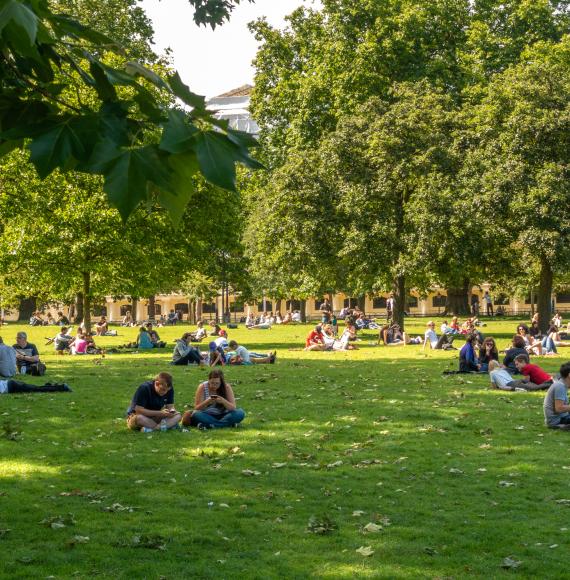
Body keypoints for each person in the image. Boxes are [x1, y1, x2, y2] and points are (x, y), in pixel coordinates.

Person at [544, 362, 570, 428]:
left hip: (562, 417)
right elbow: (559, 408)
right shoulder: (560, 386)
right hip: (557, 421)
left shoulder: (562, 384)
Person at [0, 378, 71, 394]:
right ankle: (49, 386)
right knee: (36, 388)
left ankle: (62, 387)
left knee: (37, 389)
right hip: (10, 383)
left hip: (11, 386)